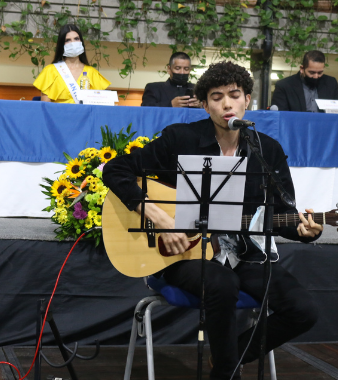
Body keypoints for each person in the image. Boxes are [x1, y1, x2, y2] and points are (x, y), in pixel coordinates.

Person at [103, 61, 321, 380]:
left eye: (234, 95)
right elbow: (115, 169)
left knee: (304, 311)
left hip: (242, 251)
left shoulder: (267, 151)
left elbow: (282, 214)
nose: (227, 104)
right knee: (221, 282)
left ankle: (227, 359)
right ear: (205, 105)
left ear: (247, 99)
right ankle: (225, 373)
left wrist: (307, 231)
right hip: (182, 252)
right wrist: (152, 211)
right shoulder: (181, 139)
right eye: (217, 97)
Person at [33, 24, 111, 103]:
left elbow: (99, 106)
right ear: (61, 45)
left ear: (81, 42)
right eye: (68, 40)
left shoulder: (92, 73)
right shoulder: (50, 71)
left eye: (76, 39)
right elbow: (45, 107)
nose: (73, 43)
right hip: (57, 115)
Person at [271, 50, 338, 112]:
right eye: (312, 72)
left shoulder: (331, 83)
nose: (316, 76)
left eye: (320, 73)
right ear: (302, 68)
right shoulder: (284, 85)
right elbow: (281, 116)